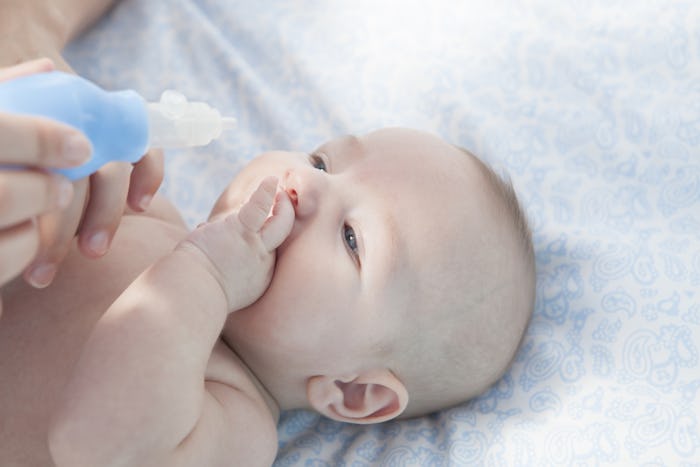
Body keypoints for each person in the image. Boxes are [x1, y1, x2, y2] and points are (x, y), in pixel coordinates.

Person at [1, 100, 536, 465]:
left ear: (353, 391)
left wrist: (205, 273)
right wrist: (73, 154)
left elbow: (90, 445)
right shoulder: (149, 217)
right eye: (322, 161)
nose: (302, 181)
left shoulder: (233, 420)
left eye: (351, 238)